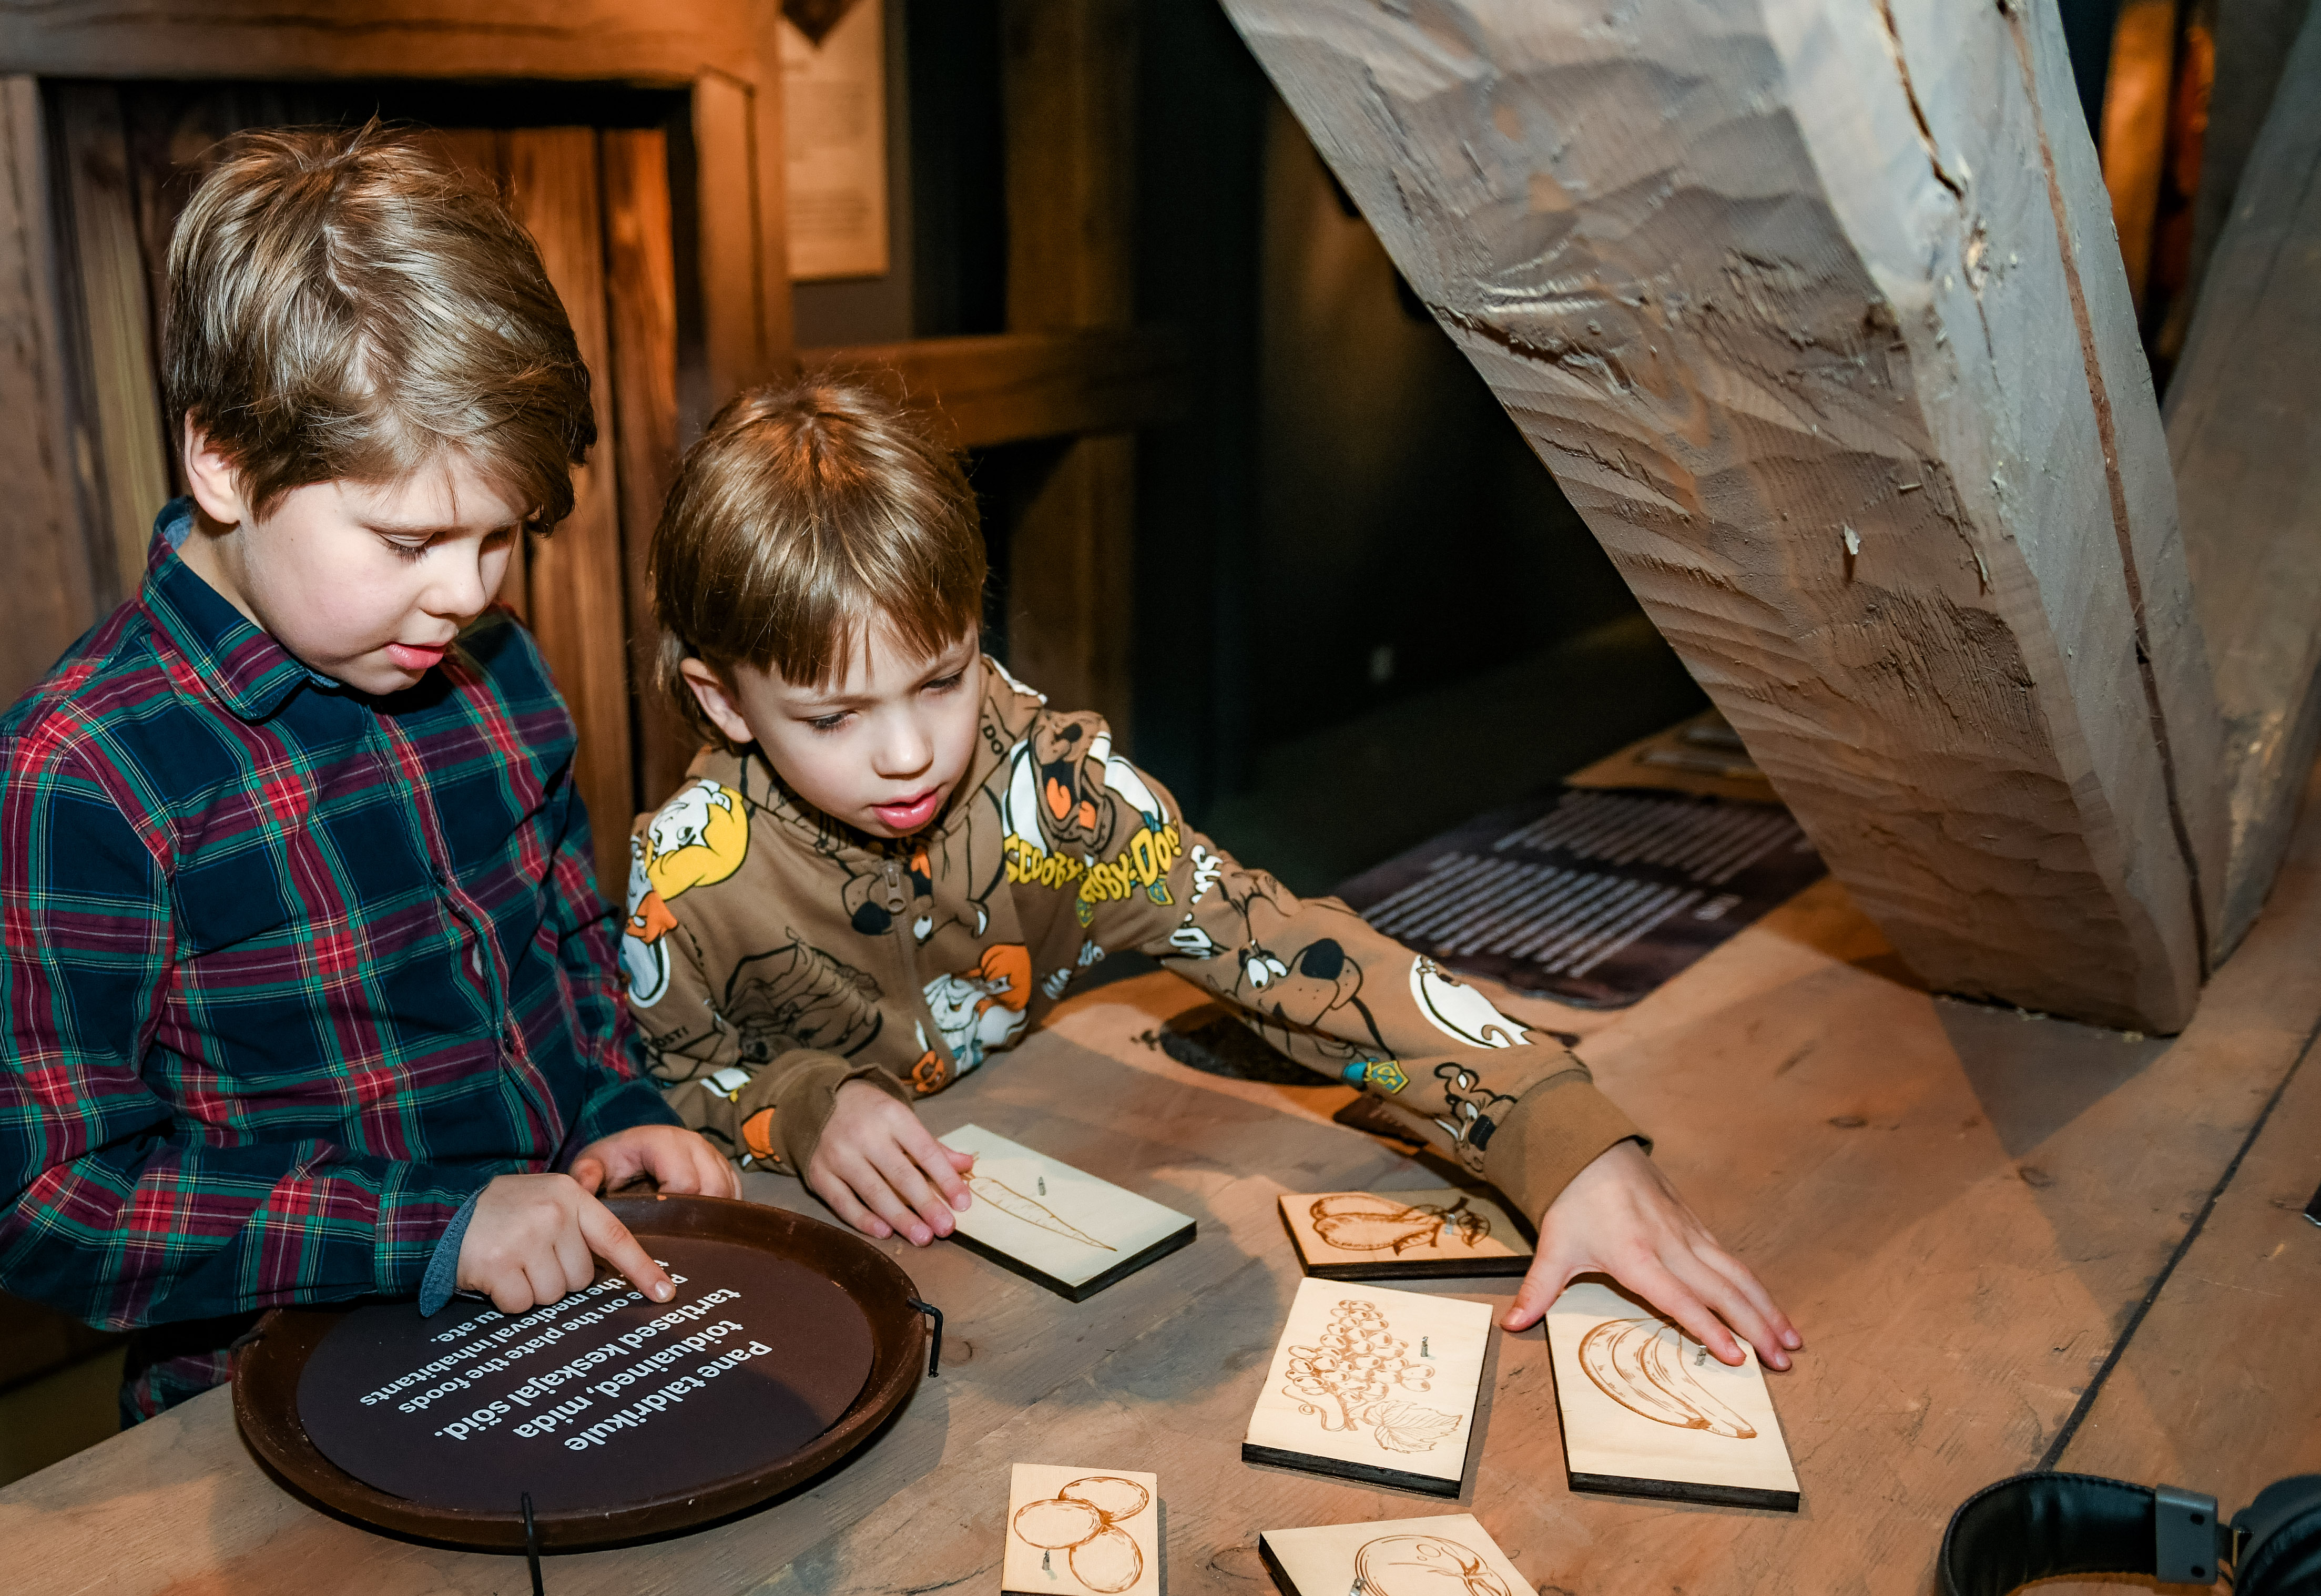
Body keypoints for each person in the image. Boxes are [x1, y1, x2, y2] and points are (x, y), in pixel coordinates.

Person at [622, 377, 1799, 1368]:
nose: (907, 751)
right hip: (841, 1305)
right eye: (832, 715)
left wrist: (1559, 1135)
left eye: (942, 677)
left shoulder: (1053, 789)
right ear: (722, 699)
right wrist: (798, 1107)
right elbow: (648, 1087)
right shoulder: (683, 882)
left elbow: (1275, 944)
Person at [0, 127, 732, 1424]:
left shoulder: (488, 664)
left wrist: (612, 1100)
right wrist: (429, 1228)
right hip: (272, 1401)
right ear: (224, 461)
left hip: (568, 1324)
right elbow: (46, 1203)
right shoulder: (70, 781)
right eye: (408, 537)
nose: (466, 592)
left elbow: (561, 942)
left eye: (499, 535)